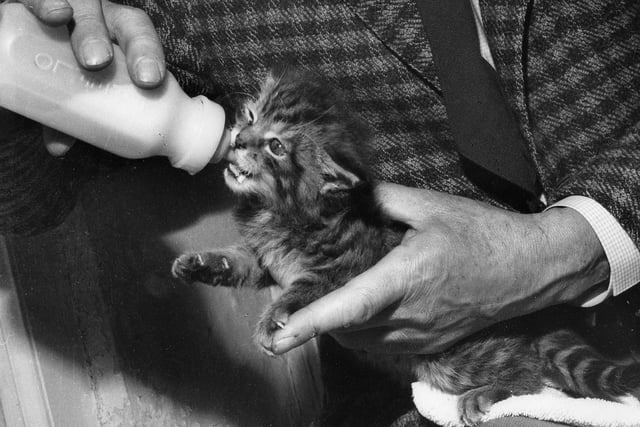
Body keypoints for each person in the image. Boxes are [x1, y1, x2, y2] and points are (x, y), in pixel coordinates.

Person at [2, 0, 639, 424]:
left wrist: (571, 244)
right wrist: (27, 89)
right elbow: (32, 201)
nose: (246, 140)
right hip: (410, 392)